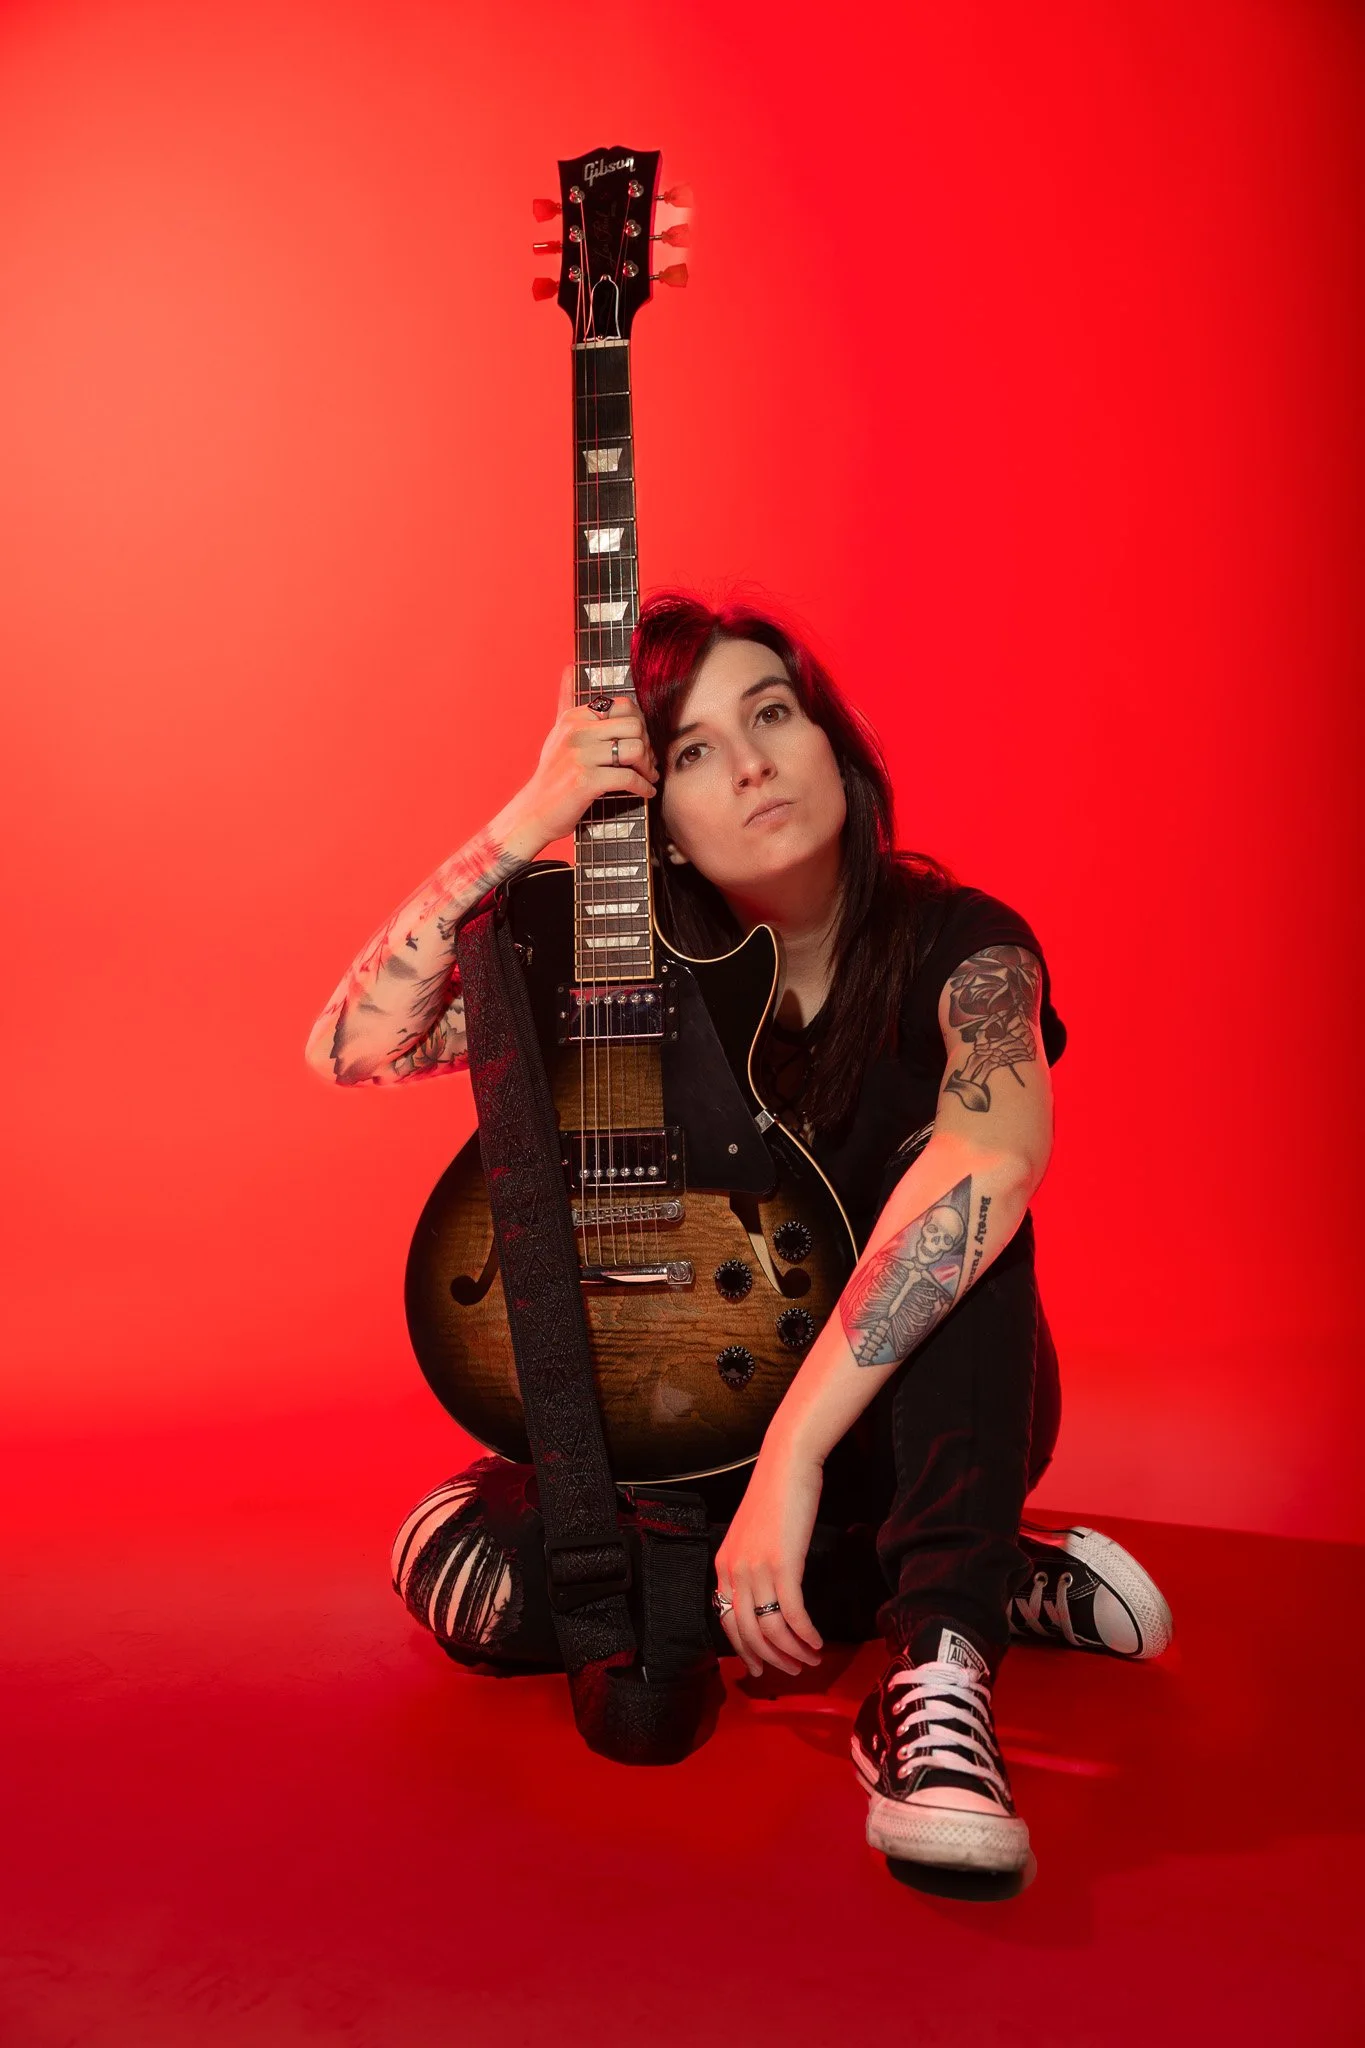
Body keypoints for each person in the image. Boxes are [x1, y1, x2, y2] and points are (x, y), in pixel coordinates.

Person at [305, 592, 1173, 1877]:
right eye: (693, 749)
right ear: (650, 808)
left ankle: (939, 1650)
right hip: (700, 1462)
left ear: (835, 743)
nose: (752, 761)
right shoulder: (627, 962)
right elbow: (352, 1047)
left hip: (906, 1424)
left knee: (955, 1209)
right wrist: (532, 815)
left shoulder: (968, 946)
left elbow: (997, 1152)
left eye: (773, 713)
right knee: (484, 1593)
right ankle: (965, 1567)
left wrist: (794, 1453)